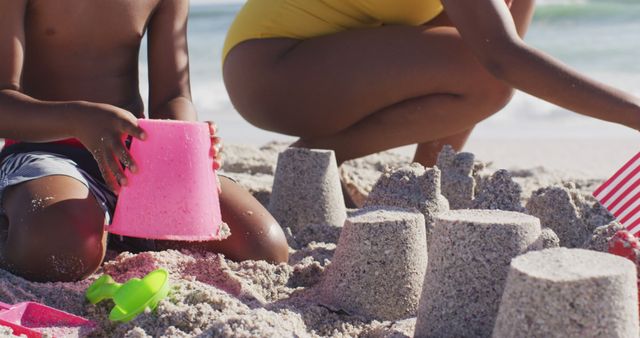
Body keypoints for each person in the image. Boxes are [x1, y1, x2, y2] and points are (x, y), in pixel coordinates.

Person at [0, 0, 289, 283]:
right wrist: (78, 119)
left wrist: (185, 140)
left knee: (262, 246)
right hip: (43, 152)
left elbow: (172, 96)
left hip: (137, 157)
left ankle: (117, 230)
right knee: (63, 248)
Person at [222, 0, 640, 167]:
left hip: (317, 70)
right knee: (487, 74)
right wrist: (633, 114)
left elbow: (476, 60)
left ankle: (314, 161)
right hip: (271, 69)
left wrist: (429, 178)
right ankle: (315, 156)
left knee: (479, 71)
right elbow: (500, 61)